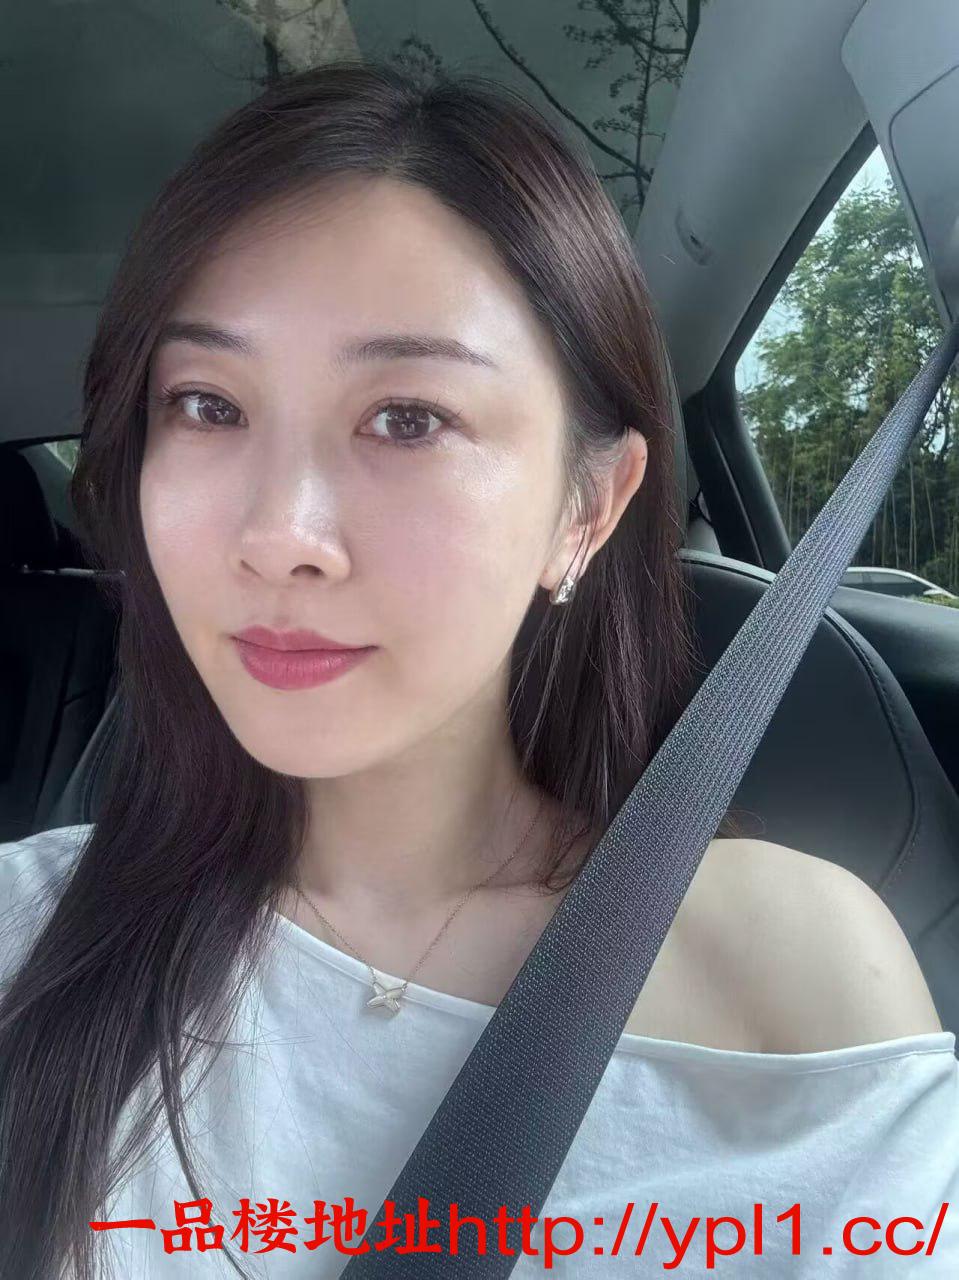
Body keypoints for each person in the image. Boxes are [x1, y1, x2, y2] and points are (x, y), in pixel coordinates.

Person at [0, 59, 956, 1280]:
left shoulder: (781, 959)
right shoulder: (30, 930)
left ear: (586, 507)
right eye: (207, 405)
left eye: (407, 417)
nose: (279, 533)